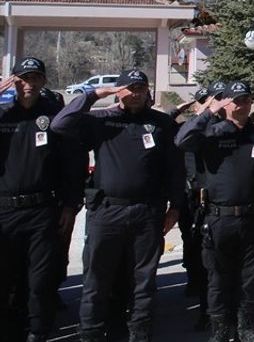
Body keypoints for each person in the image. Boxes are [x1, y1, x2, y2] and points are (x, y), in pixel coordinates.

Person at [52, 68, 183, 342]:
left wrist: (175, 208)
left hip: (147, 212)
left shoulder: (161, 124)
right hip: (107, 211)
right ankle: (91, 332)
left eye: (140, 88)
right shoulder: (101, 120)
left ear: (148, 91)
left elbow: (175, 169)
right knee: (97, 278)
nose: (135, 93)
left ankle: (139, 331)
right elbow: (59, 125)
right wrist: (95, 94)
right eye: (129, 88)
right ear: (118, 91)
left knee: (143, 280)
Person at [175, 81, 254, 342]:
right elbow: (181, 139)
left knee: (248, 278)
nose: (241, 105)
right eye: (235, 100)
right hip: (217, 218)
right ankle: (221, 330)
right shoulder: (210, 133)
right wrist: (210, 112)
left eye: (246, 99)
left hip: (252, 218)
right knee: (218, 279)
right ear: (225, 103)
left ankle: (245, 328)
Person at [0, 58, 80, 342]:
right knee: (5, 277)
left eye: (35, 78)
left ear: (44, 82)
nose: (29, 84)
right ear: (13, 82)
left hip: (42, 211)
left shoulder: (53, 117)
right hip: (5, 210)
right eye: (23, 79)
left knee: (40, 280)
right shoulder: (3, 115)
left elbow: (71, 164)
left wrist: (71, 204)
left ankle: (38, 332)